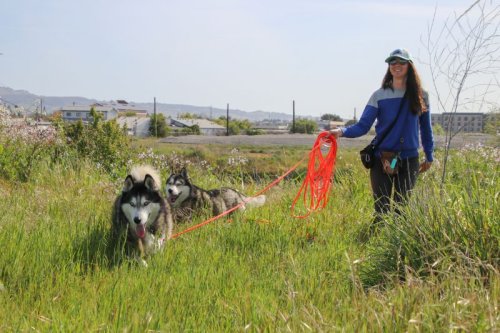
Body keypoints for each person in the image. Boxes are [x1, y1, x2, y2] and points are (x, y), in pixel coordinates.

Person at [330, 48, 434, 224]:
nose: (396, 65)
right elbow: (363, 126)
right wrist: (341, 132)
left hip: (409, 160)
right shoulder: (378, 96)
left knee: (401, 209)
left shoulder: (421, 95)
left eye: (401, 62)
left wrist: (429, 155)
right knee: (382, 209)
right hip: (383, 159)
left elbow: (426, 129)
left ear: (409, 66)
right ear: (389, 67)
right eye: (392, 62)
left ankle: (397, 249)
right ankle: (376, 246)